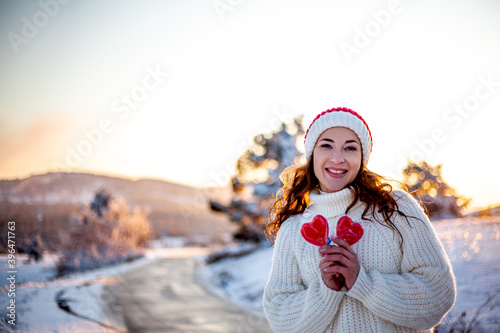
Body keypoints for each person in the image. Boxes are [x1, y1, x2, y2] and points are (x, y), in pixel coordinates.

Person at [262, 107, 456, 333]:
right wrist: (326, 291)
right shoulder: (294, 229)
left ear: (362, 159)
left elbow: (437, 294)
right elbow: (279, 316)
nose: (337, 158)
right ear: (312, 154)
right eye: (326, 145)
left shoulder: (395, 208)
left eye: (350, 148)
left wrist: (363, 283)